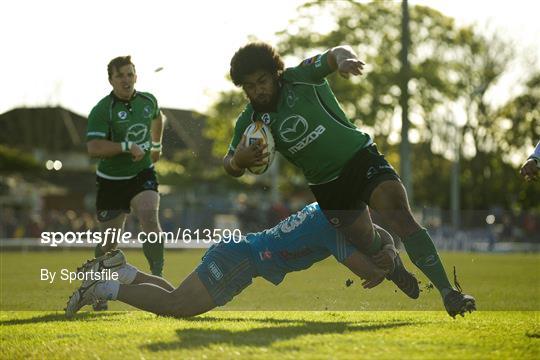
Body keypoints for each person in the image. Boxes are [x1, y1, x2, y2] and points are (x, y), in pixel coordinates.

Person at [222, 42, 475, 318]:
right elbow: (230, 162)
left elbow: (336, 52)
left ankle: (448, 292)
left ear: (275, 73)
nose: (258, 90)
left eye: (262, 81)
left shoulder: (302, 77)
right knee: (367, 242)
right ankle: (393, 265)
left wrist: (345, 60)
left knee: (400, 216)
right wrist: (238, 161)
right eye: (250, 86)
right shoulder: (250, 121)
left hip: (359, 157)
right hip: (327, 185)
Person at [66, 203, 423, 318]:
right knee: (178, 306)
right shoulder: (333, 229)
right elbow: (368, 270)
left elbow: (376, 235)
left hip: (239, 250)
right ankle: (105, 287)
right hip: (244, 260)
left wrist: (388, 247)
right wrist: (390, 259)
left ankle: (123, 272)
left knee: (175, 294)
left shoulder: (327, 210)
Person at [85, 56, 166, 310]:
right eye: (120, 75)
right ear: (111, 80)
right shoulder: (102, 109)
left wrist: (156, 145)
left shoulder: (148, 100)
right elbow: (93, 147)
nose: (126, 79)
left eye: (130, 74)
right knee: (109, 240)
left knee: (149, 216)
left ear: (136, 76)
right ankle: (98, 288)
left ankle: (158, 279)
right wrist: (125, 146)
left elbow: (157, 118)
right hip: (112, 181)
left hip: (142, 173)